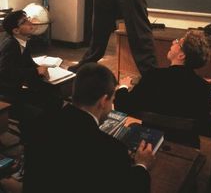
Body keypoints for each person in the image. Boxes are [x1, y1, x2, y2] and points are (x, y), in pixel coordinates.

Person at [23, 62, 155, 193]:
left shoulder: (38, 124)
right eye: (112, 100)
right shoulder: (112, 150)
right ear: (103, 101)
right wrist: (142, 165)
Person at [114, 30, 211, 148]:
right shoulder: (204, 87)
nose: (173, 42)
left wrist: (123, 86)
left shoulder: (153, 76)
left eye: (178, 42)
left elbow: (123, 106)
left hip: (149, 142)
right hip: (186, 145)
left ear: (182, 55)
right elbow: (205, 127)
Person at [0, 10, 63, 138]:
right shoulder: (11, 45)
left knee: (54, 97)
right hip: (6, 93)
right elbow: (5, 72)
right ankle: (32, 141)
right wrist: (35, 71)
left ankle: (49, 134)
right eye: (24, 21)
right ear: (16, 31)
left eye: (27, 18)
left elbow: (28, 63)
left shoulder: (23, 41)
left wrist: (38, 68)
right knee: (39, 112)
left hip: (15, 88)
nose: (30, 22)